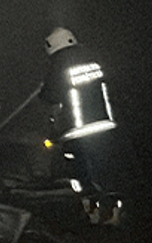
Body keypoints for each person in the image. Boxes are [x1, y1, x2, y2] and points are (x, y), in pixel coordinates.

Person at [40, 27, 118, 222]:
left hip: (78, 131)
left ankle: (92, 211)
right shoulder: (92, 60)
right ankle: (114, 209)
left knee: (81, 173)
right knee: (105, 169)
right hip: (103, 126)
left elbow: (48, 96)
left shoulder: (59, 65)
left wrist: (44, 88)